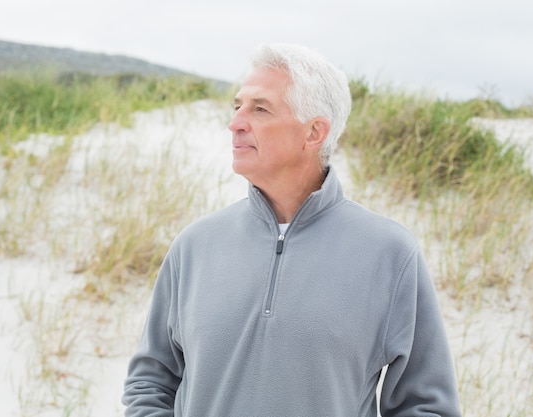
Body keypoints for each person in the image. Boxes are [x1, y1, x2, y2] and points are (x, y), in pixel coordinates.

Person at [122, 43, 462, 417]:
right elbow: (150, 382)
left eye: (260, 108)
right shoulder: (194, 246)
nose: (235, 122)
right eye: (237, 106)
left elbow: (427, 405)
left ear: (314, 132)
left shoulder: (390, 253)